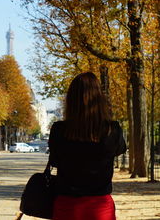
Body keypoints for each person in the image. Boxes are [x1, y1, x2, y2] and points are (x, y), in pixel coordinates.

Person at [48, 72, 126, 220]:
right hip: (100, 206)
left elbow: (55, 161)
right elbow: (120, 149)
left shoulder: (59, 129)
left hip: (67, 205)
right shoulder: (112, 129)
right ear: (100, 99)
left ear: (70, 100)